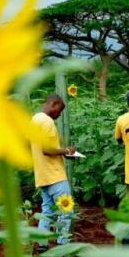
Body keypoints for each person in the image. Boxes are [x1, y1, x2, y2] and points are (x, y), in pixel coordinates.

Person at [30, 94, 77, 246]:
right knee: (66, 211)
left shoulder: (35, 120)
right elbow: (47, 149)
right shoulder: (47, 122)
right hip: (55, 175)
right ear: (53, 104)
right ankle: (62, 246)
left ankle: (42, 245)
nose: (60, 114)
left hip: (42, 175)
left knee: (47, 213)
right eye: (60, 110)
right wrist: (66, 151)